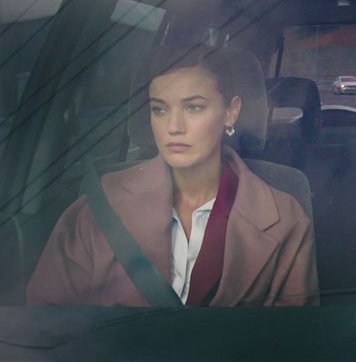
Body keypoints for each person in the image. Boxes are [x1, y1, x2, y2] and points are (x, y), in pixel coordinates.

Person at [27, 46, 319, 306]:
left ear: (231, 112)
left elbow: (291, 339)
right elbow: (47, 327)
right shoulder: (99, 207)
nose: (173, 126)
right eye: (160, 109)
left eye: (194, 107)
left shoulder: (286, 220)